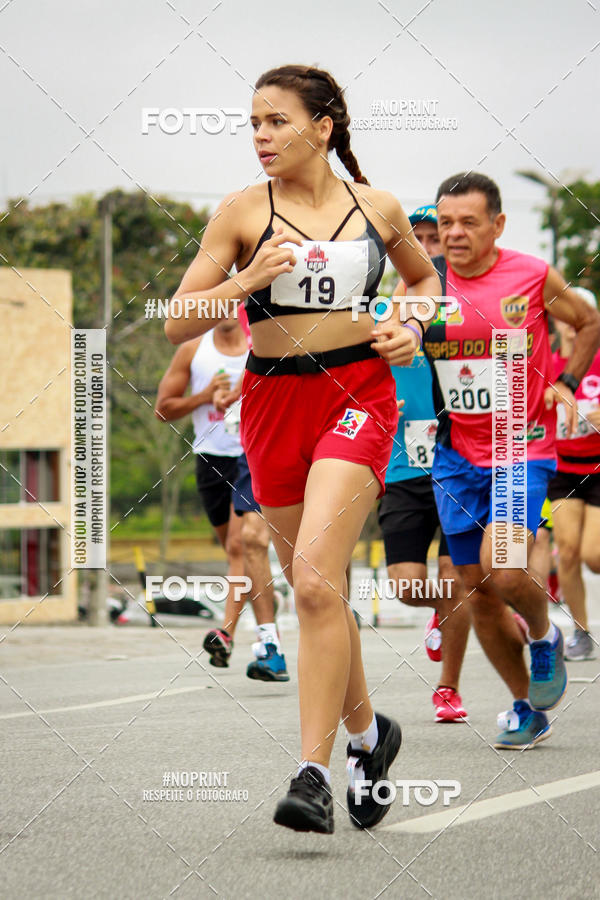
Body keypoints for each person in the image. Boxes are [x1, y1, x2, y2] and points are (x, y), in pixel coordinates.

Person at [165, 64, 440, 833]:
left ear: (323, 126)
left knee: (317, 582)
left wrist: (409, 328)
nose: (260, 136)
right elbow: (179, 320)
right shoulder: (241, 211)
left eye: (277, 121)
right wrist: (247, 275)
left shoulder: (376, 206)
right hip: (272, 401)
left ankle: (312, 773)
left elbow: (423, 284)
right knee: (316, 589)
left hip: (356, 395)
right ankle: (368, 736)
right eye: (252, 122)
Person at [426, 172, 600, 749]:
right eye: (445, 222)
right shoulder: (424, 282)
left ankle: (545, 635)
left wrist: (567, 382)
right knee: (476, 589)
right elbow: (390, 326)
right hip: (454, 456)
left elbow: (587, 321)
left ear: (497, 225)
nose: (454, 234)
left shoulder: (529, 274)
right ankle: (527, 706)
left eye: (468, 222)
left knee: (503, 570)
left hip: (519, 444)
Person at [155, 315, 289, 680]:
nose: (228, 310)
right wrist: (202, 396)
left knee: (239, 546)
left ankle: (226, 634)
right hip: (212, 460)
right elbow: (163, 408)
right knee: (235, 553)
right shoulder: (192, 350)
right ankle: (266, 599)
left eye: (235, 301)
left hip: (252, 454)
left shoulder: (259, 343)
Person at [380, 204, 471, 723]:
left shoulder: (464, 309)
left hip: (457, 458)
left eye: (434, 237)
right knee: (408, 584)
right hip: (402, 462)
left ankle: (448, 688)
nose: (427, 246)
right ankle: (441, 610)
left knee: (454, 574)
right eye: (416, 237)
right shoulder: (383, 311)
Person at [548, 287, 600, 661]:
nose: (572, 325)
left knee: (594, 556)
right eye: (566, 317)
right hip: (562, 468)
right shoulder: (546, 366)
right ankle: (580, 633)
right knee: (567, 552)